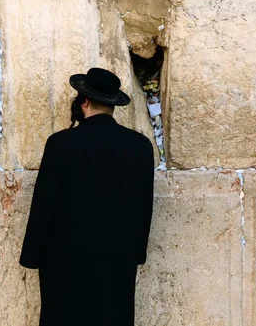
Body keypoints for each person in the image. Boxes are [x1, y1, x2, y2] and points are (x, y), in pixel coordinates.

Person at [19, 68, 155, 325]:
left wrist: (32, 256)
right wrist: (136, 253)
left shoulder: (61, 144)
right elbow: (143, 206)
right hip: (117, 260)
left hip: (65, 261)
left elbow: (44, 205)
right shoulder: (140, 146)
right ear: (112, 105)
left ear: (84, 101)